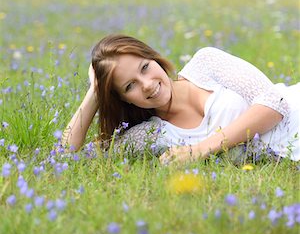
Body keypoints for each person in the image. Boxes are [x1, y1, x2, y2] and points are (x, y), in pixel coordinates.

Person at [62, 34, 300, 163]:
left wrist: (199, 150)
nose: (147, 85)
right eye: (130, 85)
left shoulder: (205, 63)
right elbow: (65, 154)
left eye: (145, 67)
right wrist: (94, 92)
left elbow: (275, 103)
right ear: (124, 99)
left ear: (154, 58)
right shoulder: (149, 135)